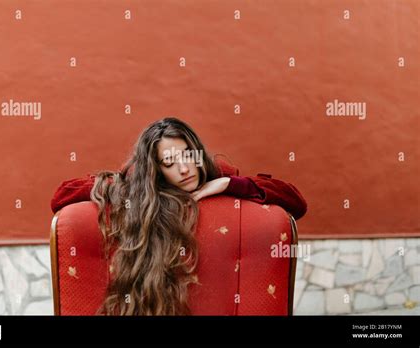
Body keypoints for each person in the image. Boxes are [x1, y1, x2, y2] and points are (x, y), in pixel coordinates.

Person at [50, 117, 307, 315]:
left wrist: (227, 184)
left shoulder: (218, 173)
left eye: (188, 156)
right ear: (156, 170)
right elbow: (61, 195)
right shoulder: (140, 187)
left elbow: (295, 200)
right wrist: (131, 181)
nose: (184, 169)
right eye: (170, 163)